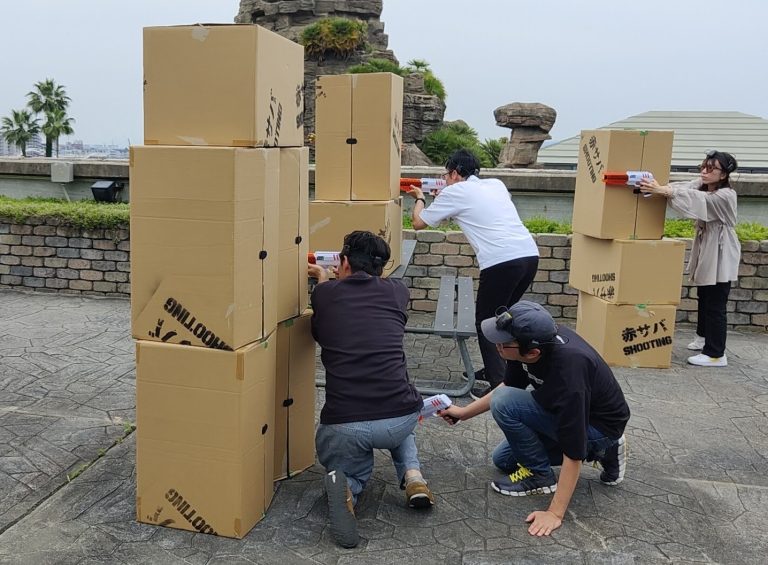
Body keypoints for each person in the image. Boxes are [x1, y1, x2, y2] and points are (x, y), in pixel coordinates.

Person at [438, 301, 630, 537]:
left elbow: (573, 450)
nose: (497, 345)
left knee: (505, 403)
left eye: (503, 343)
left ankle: (543, 477)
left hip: (596, 426)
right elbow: (509, 384)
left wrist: (555, 514)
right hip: (563, 411)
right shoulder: (531, 340)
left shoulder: (569, 373)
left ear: (532, 352)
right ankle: (603, 451)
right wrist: (462, 413)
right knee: (503, 459)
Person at [308, 230, 434, 549]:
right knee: (399, 401)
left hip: (346, 424)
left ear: (344, 262)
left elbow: (319, 330)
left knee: (347, 458)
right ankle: (414, 476)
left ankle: (348, 489)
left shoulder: (325, 294)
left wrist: (323, 279)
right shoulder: (398, 291)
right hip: (401, 417)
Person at [406, 148, 539, 399]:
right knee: (504, 317)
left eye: (446, 175)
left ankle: (499, 385)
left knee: (487, 322)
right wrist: (445, 199)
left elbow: (418, 223)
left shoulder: (454, 192)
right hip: (529, 256)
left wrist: (420, 198)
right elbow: (476, 210)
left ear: (455, 173)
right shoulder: (496, 184)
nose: (445, 179)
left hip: (501, 261)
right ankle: (507, 371)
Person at [639, 150, 740, 367]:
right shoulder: (703, 185)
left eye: (711, 169)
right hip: (707, 244)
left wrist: (664, 190)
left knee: (716, 300)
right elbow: (685, 188)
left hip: (721, 248)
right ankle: (703, 338)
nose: (704, 172)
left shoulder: (726, 195)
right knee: (704, 295)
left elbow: (697, 200)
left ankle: (716, 353)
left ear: (723, 174)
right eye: (703, 166)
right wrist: (662, 188)